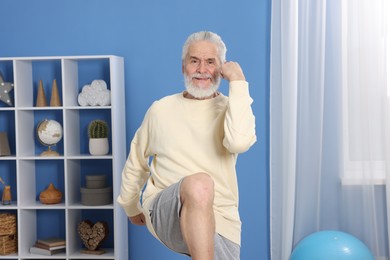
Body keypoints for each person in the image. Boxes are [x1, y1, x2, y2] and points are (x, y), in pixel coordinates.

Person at [117, 31, 256, 260]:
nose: (202, 69)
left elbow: (239, 142)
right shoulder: (161, 109)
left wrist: (239, 82)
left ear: (220, 68)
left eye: (210, 62)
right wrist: (131, 206)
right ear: (184, 67)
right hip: (166, 209)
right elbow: (136, 160)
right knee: (200, 183)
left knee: (203, 192)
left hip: (220, 216)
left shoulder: (232, 108)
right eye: (194, 61)